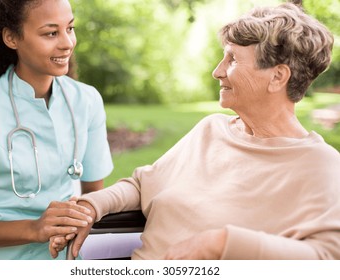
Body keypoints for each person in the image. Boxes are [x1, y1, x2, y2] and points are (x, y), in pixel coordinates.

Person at [53, 2, 340, 260]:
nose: (217, 71)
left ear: (277, 76)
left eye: (233, 60)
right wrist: (91, 206)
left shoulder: (319, 165)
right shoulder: (211, 130)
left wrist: (223, 243)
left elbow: (326, 257)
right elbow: (143, 185)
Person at [0, 0, 113, 260]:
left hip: (77, 260)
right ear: (12, 37)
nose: (67, 43)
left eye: (69, 28)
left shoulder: (87, 101)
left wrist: (84, 215)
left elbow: (96, 197)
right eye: (51, 33)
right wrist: (34, 229)